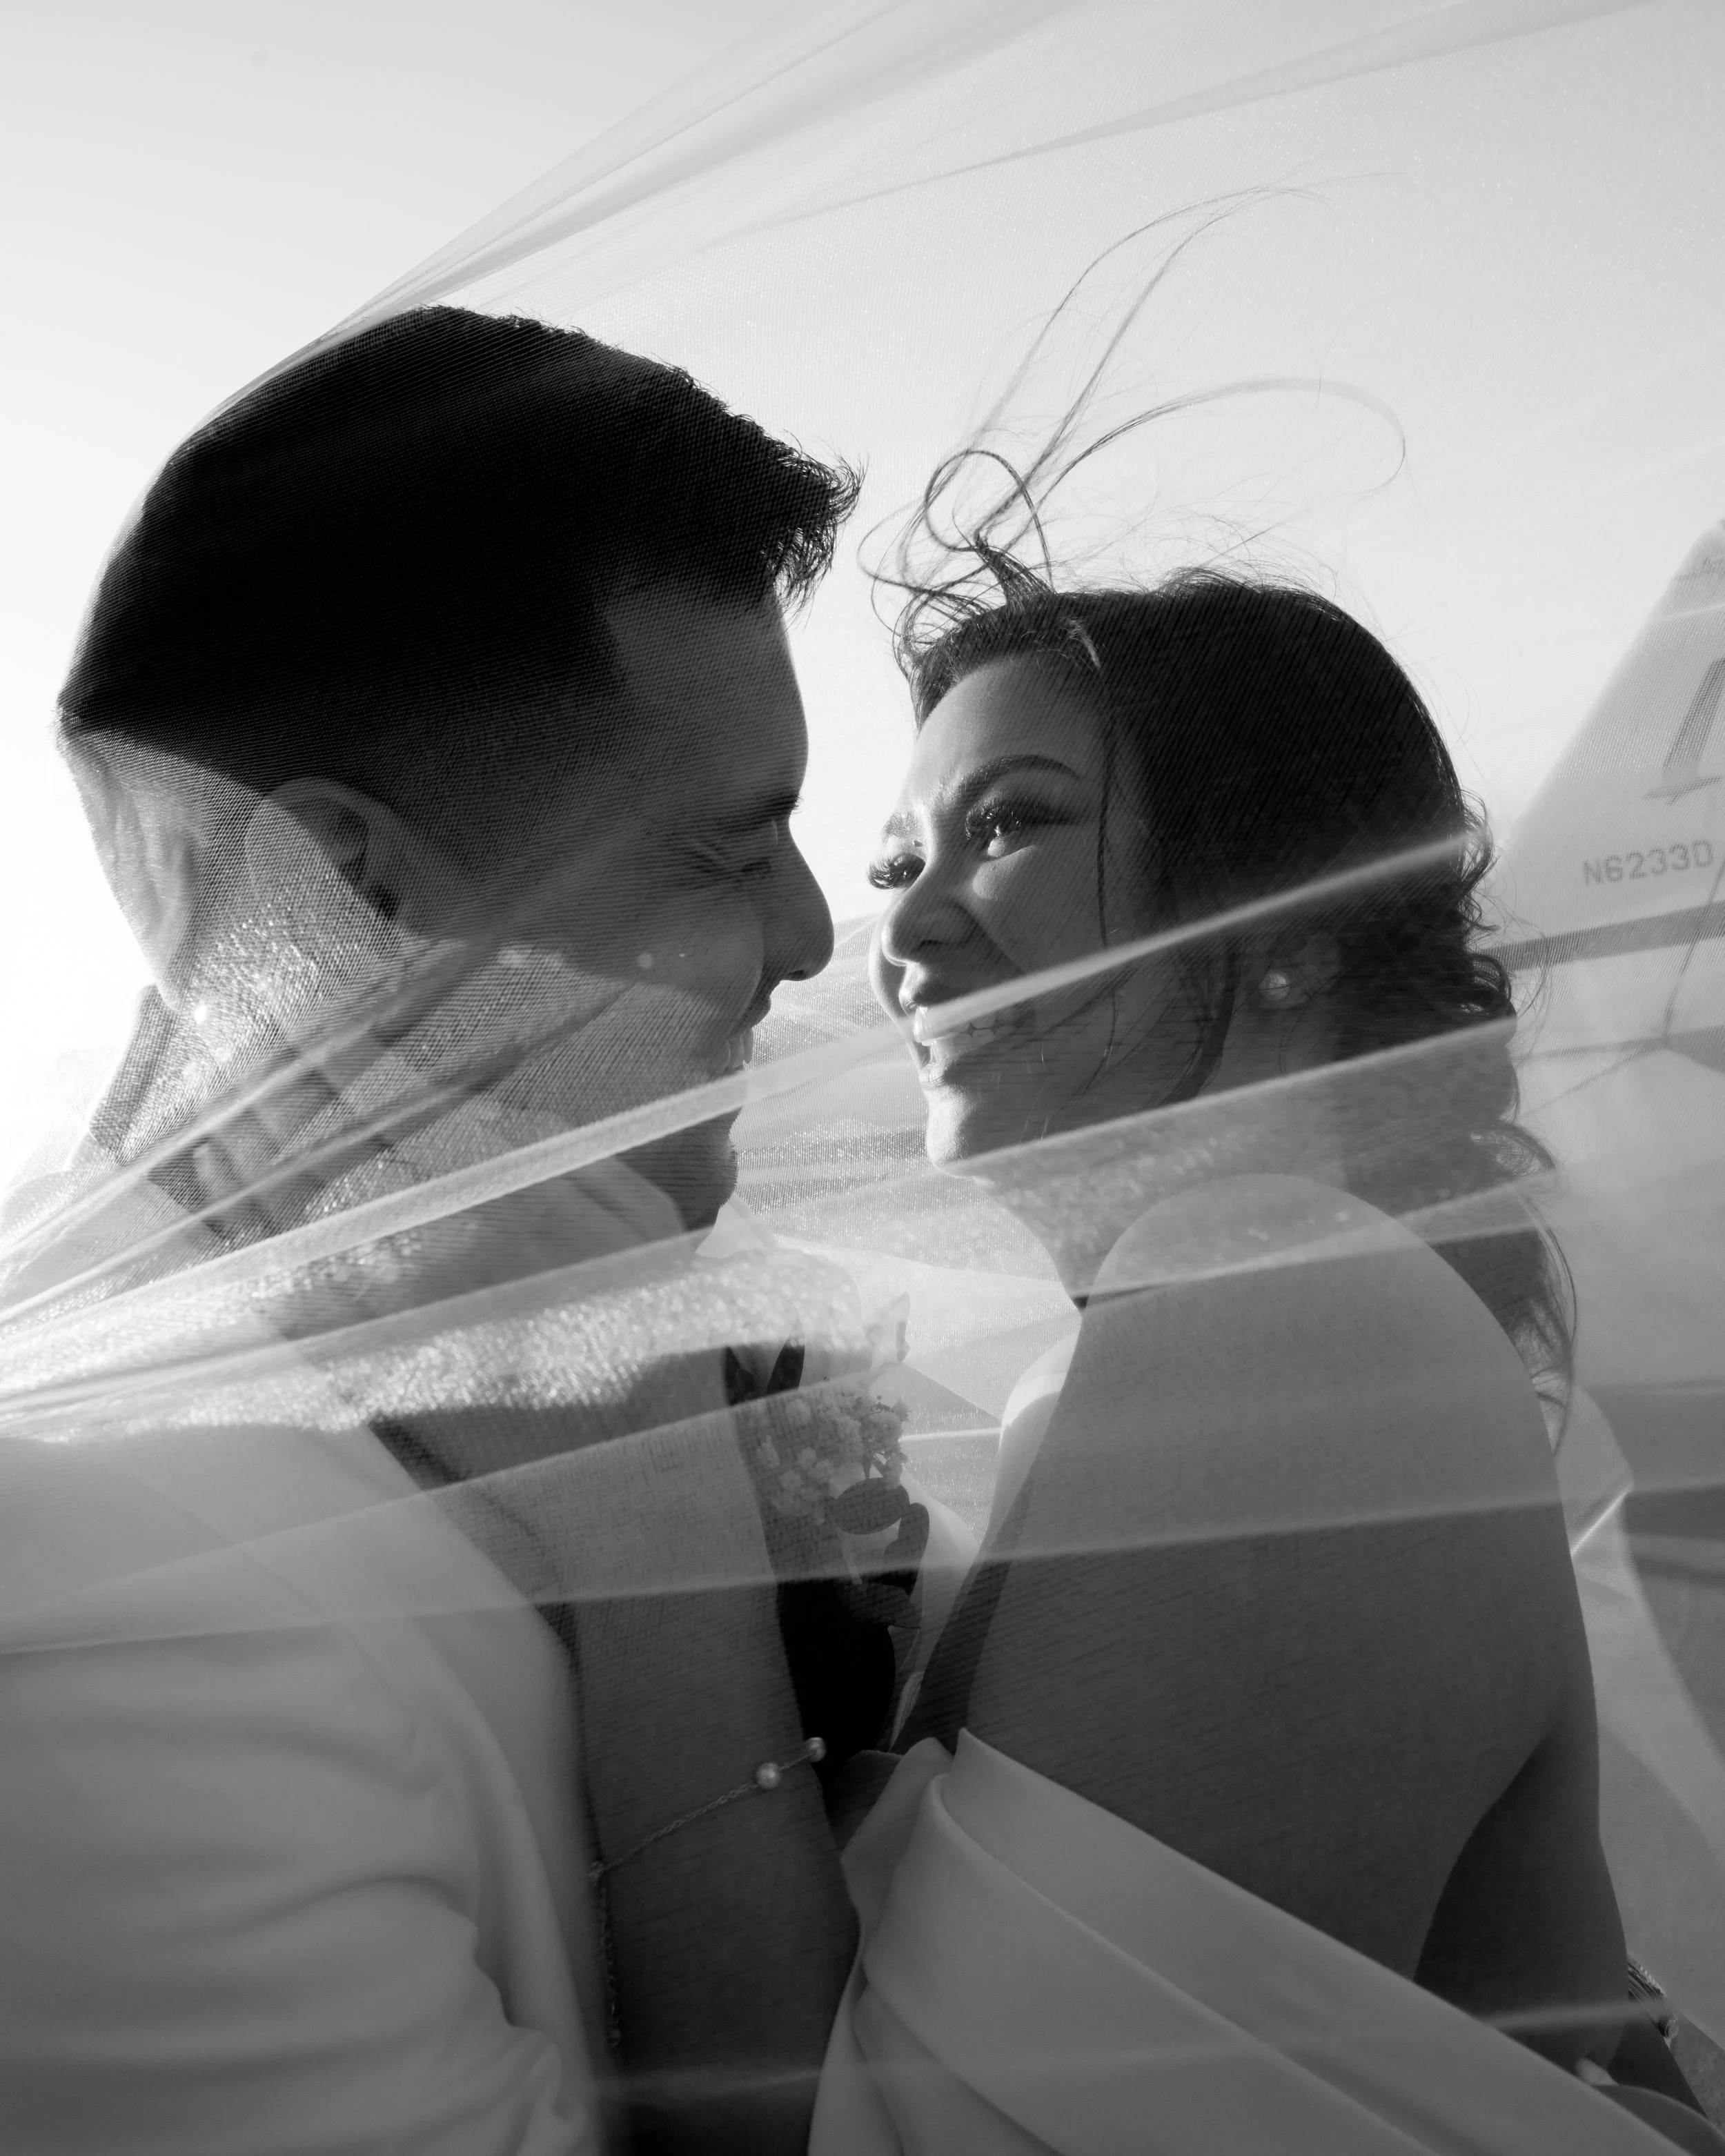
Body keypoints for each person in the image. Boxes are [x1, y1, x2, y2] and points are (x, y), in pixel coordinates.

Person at [0, 306, 885, 2155]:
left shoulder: (573, 1321)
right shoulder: (111, 1623)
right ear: (348, 890)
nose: (814, 937)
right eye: (723, 849)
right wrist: (673, 1551)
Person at [817, 569, 1725, 2151]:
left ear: (1285, 932)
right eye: (898, 855)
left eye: (1009, 823)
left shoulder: (1280, 1313)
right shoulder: (1125, 1361)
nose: (898, 924)